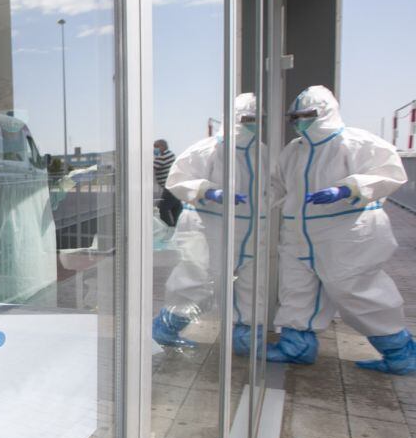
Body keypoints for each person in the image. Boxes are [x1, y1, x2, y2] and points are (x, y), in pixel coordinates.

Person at [268, 85, 416, 374]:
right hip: (298, 235)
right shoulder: (293, 151)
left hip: (347, 234)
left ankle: (399, 351)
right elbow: (276, 186)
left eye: (306, 115)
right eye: (295, 116)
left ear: (325, 112)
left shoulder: (356, 143)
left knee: (358, 292)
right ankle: (296, 346)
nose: (300, 121)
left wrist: (347, 189)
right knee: (296, 290)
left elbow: (390, 174)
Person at [153, 94, 259, 352]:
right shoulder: (208, 149)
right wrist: (208, 191)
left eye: (255, 120)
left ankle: (243, 336)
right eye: (245, 119)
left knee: (250, 284)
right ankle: (166, 328)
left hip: (248, 229)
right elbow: (177, 179)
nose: (250, 125)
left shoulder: (260, 153)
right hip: (206, 223)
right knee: (198, 279)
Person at [154, 139, 182, 226]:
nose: (154, 149)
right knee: (175, 208)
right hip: (174, 186)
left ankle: (169, 229)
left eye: (156, 147)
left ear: (162, 147)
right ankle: (175, 228)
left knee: (162, 209)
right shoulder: (169, 154)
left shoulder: (164, 156)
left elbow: (153, 166)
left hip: (171, 187)